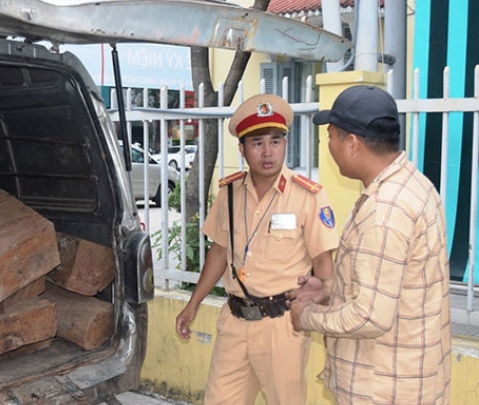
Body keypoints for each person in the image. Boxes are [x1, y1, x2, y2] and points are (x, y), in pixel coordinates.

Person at [288, 85, 451, 405]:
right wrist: (329, 290)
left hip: (384, 389)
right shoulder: (414, 185)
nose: (329, 146)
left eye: (331, 136)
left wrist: (305, 316)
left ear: (352, 143)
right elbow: (391, 286)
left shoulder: (385, 210)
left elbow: (369, 317)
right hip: (409, 380)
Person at [175, 94, 339, 405]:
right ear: (242, 148)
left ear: (285, 144)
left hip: (283, 327)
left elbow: (323, 263)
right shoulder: (230, 193)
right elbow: (219, 252)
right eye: (257, 142)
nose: (267, 152)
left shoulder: (308, 196)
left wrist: (329, 327)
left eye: (275, 141)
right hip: (235, 321)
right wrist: (192, 304)